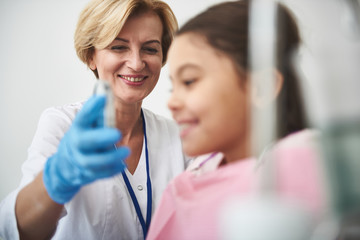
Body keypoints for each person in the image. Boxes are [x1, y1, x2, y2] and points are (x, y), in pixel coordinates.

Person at [0, 0, 191, 239]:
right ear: (91, 56)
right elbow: (19, 230)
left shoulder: (178, 136)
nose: (136, 63)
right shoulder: (61, 124)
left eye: (150, 49)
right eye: (118, 47)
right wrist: (58, 178)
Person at [146, 1, 327, 239]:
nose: (172, 102)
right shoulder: (188, 181)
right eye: (173, 87)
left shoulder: (305, 164)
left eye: (189, 81)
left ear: (262, 87)